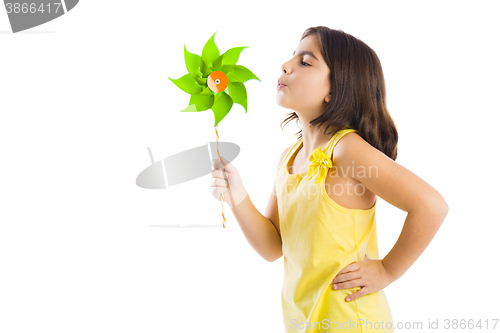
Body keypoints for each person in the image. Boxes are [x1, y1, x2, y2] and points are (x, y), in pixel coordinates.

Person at [209, 26, 449, 332]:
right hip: (304, 321)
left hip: (349, 321)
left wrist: (387, 270)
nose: (286, 65)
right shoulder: (289, 156)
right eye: (293, 56)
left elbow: (431, 206)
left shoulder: (347, 151)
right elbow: (272, 247)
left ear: (335, 90)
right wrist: (238, 196)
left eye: (305, 62)